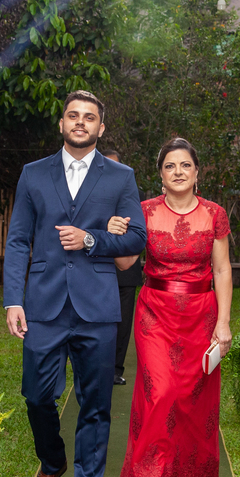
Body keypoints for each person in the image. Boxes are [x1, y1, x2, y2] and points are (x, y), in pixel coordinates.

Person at [3, 90, 147, 477]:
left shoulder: (121, 177)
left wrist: (92, 239)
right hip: (44, 303)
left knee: (96, 402)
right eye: (73, 115)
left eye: (89, 117)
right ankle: (51, 463)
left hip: (98, 305)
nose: (80, 122)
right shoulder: (32, 174)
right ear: (61, 124)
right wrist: (13, 299)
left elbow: (137, 240)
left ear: (101, 128)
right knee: (36, 395)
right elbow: (17, 241)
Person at [112, 137, 233, 477]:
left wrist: (224, 324)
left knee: (189, 398)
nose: (178, 172)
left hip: (201, 313)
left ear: (197, 173)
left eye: (185, 166)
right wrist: (116, 235)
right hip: (155, 313)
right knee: (160, 392)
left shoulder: (214, 214)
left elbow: (222, 269)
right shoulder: (144, 211)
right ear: (160, 175)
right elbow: (125, 265)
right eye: (170, 166)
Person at [100, 148, 145, 386]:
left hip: (126, 271)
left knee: (123, 322)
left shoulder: (132, 193)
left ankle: (116, 370)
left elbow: (138, 230)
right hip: (97, 269)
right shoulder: (91, 194)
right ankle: (98, 368)